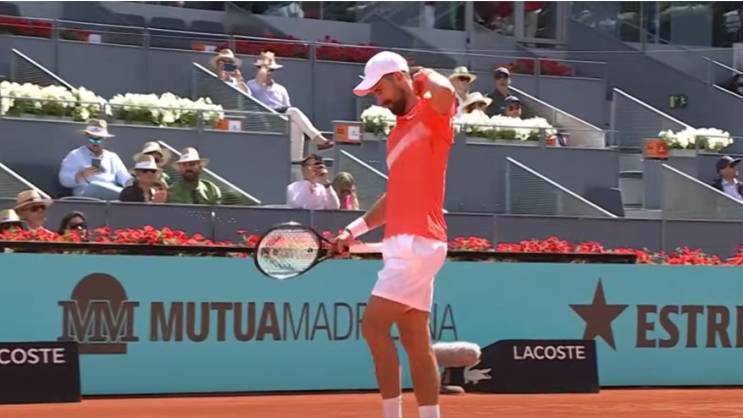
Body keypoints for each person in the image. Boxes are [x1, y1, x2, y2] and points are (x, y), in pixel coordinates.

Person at [334, 51, 456, 418]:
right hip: (406, 244)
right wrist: (353, 230)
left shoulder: (432, 115)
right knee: (415, 338)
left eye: (380, 89)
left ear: (400, 78)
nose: (379, 99)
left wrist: (422, 74)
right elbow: (394, 198)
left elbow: (447, 91)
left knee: (373, 327)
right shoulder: (397, 133)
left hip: (418, 243)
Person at [247, 51, 333, 162]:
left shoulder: (281, 89)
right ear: (257, 70)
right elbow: (259, 83)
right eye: (265, 69)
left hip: (280, 119)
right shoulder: (251, 85)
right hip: (263, 119)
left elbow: (287, 108)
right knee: (294, 111)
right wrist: (264, 66)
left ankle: (295, 161)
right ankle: (317, 138)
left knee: (296, 125)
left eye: (272, 70)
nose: (268, 72)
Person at [58, 119, 132, 200]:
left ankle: (129, 196)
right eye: (92, 139)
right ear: (86, 137)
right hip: (85, 196)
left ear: (104, 139)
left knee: (129, 193)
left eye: (99, 139)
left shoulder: (112, 157)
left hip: (110, 197)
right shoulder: (75, 155)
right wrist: (81, 175)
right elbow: (63, 180)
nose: (95, 143)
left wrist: (135, 186)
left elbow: (125, 178)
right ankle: (127, 196)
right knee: (94, 186)